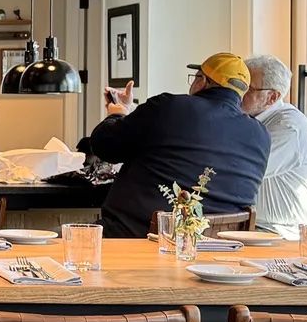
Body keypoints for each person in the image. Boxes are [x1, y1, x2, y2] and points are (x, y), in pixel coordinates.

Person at [79, 52, 271, 238]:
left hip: (133, 238)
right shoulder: (261, 135)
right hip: (218, 253)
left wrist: (118, 112)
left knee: (54, 245)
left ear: (202, 81)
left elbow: (104, 146)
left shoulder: (168, 106)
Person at [243, 53, 307, 240]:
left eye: (246, 88)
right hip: (252, 228)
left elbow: (248, 171)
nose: (237, 93)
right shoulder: (248, 120)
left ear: (272, 97)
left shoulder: (288, 125)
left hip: (283, 235)